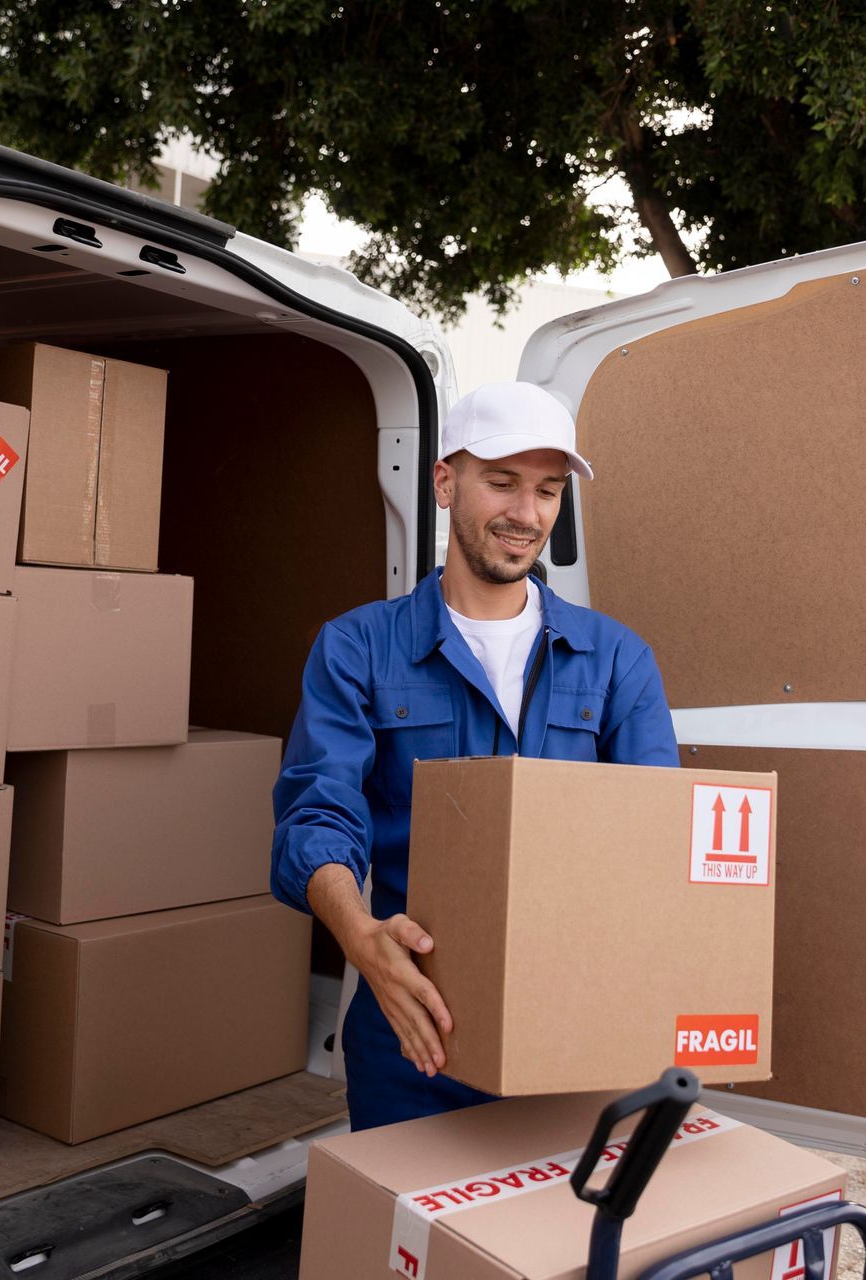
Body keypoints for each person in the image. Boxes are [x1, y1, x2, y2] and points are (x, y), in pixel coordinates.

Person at [269, 380, 680, 1130]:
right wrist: (361, 938)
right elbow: (316, 811)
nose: (528, 515)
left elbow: (656, 838)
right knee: (408, 1248)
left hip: (574, 1034)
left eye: (549, 491)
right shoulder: (358, 647)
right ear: (445, 482)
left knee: (554, 1245)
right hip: (413, 1034)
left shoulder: (617, 658)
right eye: (502, 483)